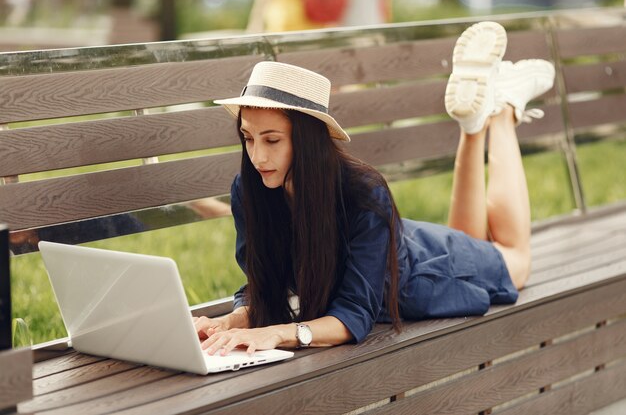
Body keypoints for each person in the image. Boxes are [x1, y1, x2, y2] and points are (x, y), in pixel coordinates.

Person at [193, 21, 555, 355]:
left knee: (516, 260)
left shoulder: (362, 193)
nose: (257, 156)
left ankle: (504, 109)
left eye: (272, 140)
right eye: (248, 138)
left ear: (306, 140)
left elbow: (352, 315)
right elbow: (262, 285)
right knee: (469, 234)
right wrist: (226, 323)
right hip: (397, 244)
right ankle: (474, 124)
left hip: (423, 271)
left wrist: (280, 333)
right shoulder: (250, 190)